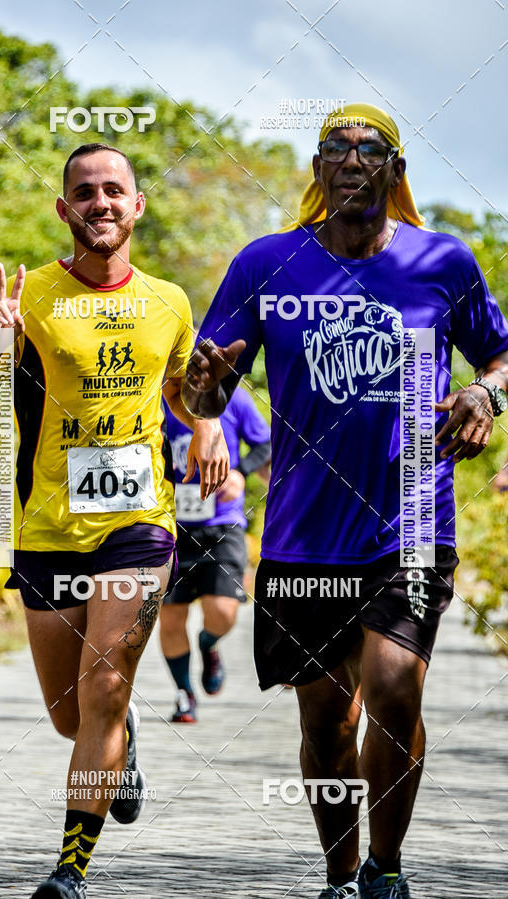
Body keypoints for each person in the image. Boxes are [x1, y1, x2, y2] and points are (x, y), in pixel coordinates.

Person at [181, 104, 508, 899]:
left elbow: (501, 354)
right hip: (303, 531)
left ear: (395, 172)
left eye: (371, 150)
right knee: (326, 724)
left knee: (395, 689)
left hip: (411, 519)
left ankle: (386, 872)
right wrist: (200, 387)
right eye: (336, 148)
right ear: (318, 170)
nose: (352, 159)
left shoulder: (443, 262)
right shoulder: (266, 263)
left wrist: (483, 393)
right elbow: (207, 382)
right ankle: (339, 874)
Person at [0, 143, 228, 899]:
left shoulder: (168, 300)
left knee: (105, 679)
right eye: (85, 192)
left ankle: (69, 871)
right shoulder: (27, 294)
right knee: (74, 716)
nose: (100, 202)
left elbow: (183, 396)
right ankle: (123, 740)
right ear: (64, 209)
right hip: (44, 527)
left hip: (139, 521)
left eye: (115, 190)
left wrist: (208, 417)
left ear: (137, 207)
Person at [160, 385, 270, 722]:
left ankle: (209, 644)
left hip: (222, 524)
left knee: (223, 612)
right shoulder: (154, 394)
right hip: (170, 525)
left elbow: (265, 443)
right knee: (170, 616)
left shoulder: (232, 397)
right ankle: (184, 694)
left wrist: (240, 473)